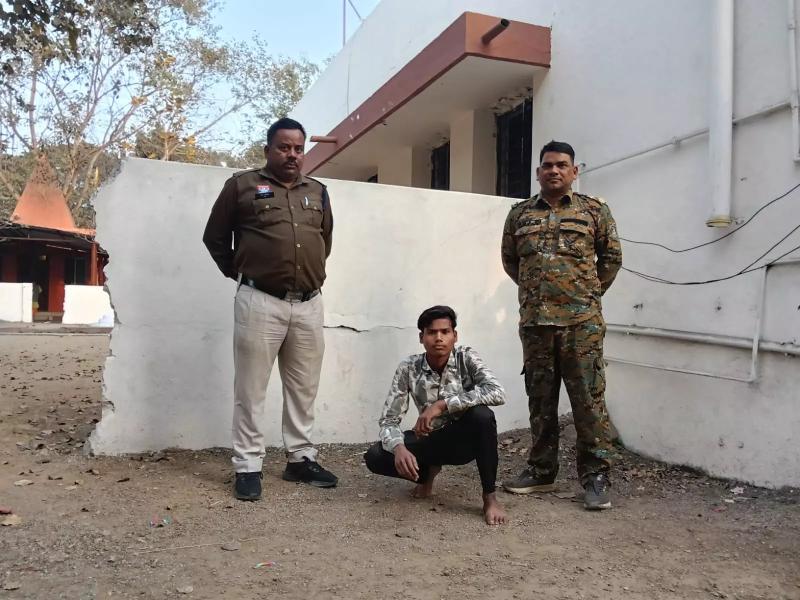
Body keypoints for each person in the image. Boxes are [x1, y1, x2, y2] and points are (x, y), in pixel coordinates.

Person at [203, 117, 338, 501]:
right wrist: (244, 273)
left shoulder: (318, 191)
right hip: (260, 302)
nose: (292, 154)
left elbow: (325, 241)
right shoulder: (241, 186)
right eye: (284, 147)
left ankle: (300, 458)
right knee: (251, 388)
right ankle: (248, 465)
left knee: (303, 387)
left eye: (298, 148)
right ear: (268, 150)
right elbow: (215, 238)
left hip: (309, 304)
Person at [500, 140, 622, 510]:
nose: (554, 170)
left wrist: (585, 295)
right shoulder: (520, 214)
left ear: (574, 171)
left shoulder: (593, 211)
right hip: (536, 324)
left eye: (562, 165)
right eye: (548, 165)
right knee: (540, 401)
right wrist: (538, 294)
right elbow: (510, 261)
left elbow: (611, 259)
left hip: (581, 325)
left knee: (588, 401)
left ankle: (596, 476)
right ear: (538, 172)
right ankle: (541, 470)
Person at [364, 306, 508, 525]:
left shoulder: (466, 357)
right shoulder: (408, 367)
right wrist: (399, 448)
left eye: (445, 332)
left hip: (465, 442)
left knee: (482, 416)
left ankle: (490, 497)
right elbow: (388, 420)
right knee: (375, 456)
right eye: (431, 332)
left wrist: (442, 405)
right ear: (421, 337)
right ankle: (426, 474)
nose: (438, 338)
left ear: (454, 336)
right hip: (430, 439)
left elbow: (497, 392)